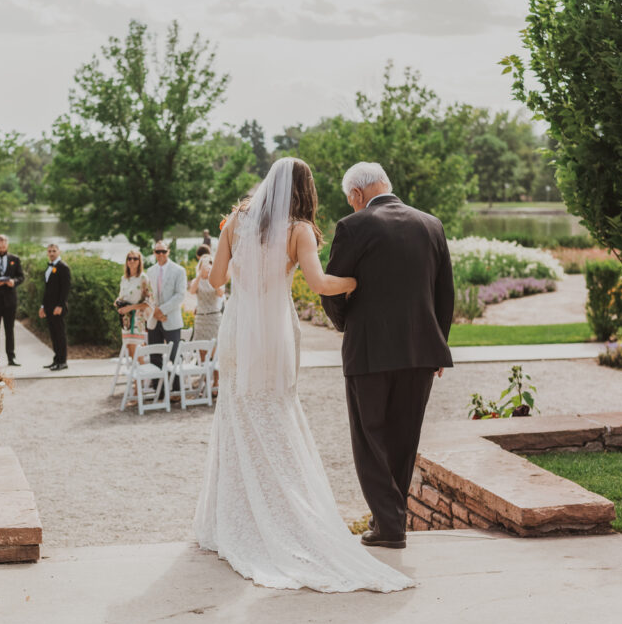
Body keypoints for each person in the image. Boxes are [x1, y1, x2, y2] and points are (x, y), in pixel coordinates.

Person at [194, 157, 413, 593]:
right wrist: (357, 281)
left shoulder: (235, 221)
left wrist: (218, 267)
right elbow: (321, 283)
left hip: (238, 335)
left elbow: (216, 280)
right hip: (274, 337)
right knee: (275, 416)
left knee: (237, 417)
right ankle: (286, 518)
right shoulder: (298, 231)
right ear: (304, 190)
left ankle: (232, 523)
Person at [321, 162, 454, 552]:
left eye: (351, 200)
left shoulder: (353, 227)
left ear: (356, 195)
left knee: (370, 439)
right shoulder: (431, 224)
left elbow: (330, 289)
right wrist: (438, 346)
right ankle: (390, 521)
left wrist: (347, 324)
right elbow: (445, 293)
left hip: (369, 351)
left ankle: (390, 525)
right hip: (421, 353)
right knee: (403, 439)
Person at [146, 240, 186, 391]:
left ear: (168, 252)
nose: (161, 254)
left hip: (171, 319)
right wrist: (154, 311)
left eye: (163, 251)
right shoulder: (150, 271)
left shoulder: (179, 270)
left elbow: (180, 295)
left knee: (174, 355)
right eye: (158, 251)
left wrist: (161, 310)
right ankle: (158, 390)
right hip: (154, 320)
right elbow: (147, 295)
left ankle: (176, 390)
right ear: (154, 253)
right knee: (154, 355)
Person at [0, 234, 24, 366]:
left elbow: (21, 277)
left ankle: (11, 358)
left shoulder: (15, 259)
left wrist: (14, 281)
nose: (1, 247)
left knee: (9, 330)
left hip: (10, 301)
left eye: (4, 245)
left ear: (7, 245)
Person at [187, 254, 223, 388]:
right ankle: (206, 382)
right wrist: (199, 275)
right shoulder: (197, 280)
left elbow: (220, 293)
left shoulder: (216, 280)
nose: (207, 268)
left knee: (214, 353)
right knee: (202, 354)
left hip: (214, 318)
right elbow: (191, 291)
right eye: (204, 265)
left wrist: (212, 277)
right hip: (201, 318)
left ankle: (216, 383)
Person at [38, 243, 71, 371]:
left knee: (60, 334)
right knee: (53, 334)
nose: (51, 253)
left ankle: (63, 361)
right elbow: (47, 290)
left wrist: (60, 305)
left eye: (54, 251)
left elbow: (65, 289)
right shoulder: (49, 267)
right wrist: (42, 306)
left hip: (58, 308)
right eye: (49, 251)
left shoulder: (63, 267)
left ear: (59, 252)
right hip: (48, 307)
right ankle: (56, 360)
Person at [115, 249, 150, 360]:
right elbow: (121, 297)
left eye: (135, 258)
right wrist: (117, 302)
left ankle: (144, 376)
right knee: (130, 350)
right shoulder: (124, 279)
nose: (132, 261)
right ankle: (136, 377)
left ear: (139, 261)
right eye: (129, 258)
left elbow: (148, 302)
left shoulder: (143, 278)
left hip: (137, 319)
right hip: (126, 320)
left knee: (138, 351)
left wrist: (130, 308)